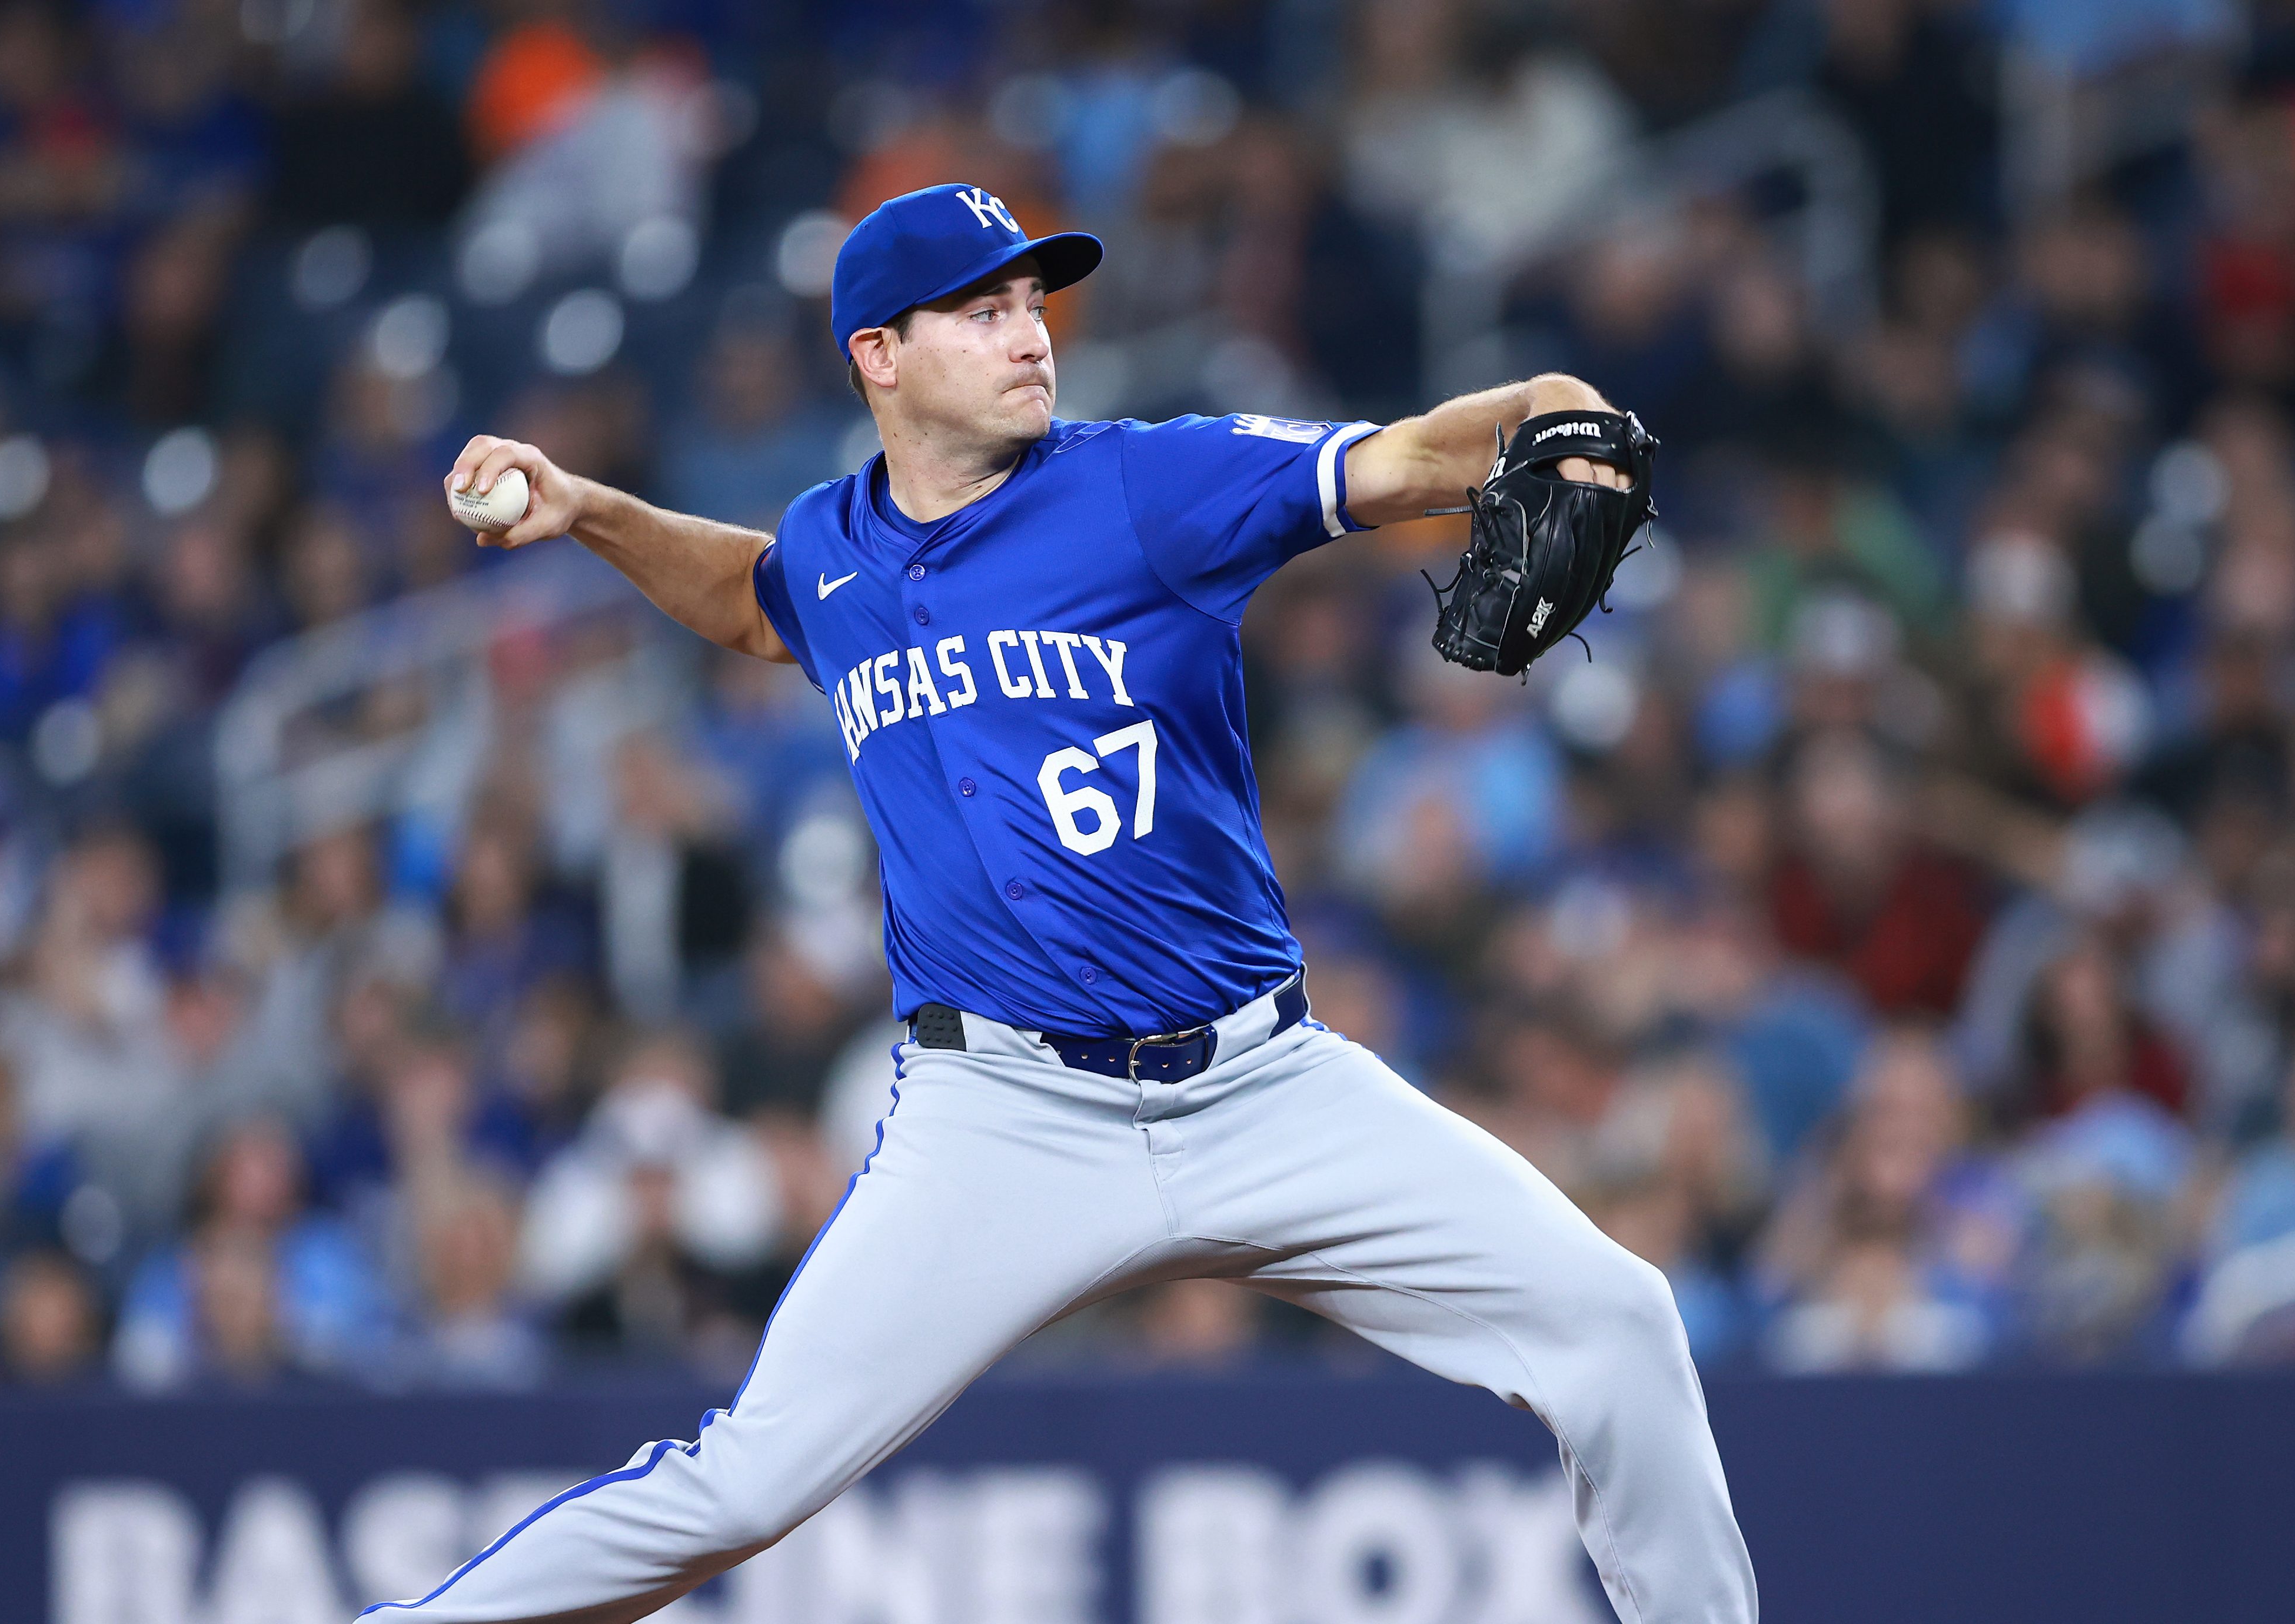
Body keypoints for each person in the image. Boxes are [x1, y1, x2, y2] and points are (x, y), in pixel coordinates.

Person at [381, 183, 1755, 1623]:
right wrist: (593, 510)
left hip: (1265, 1088)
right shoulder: (834, 546)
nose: (1030, 336)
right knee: (741, 1486)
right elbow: (753, 599)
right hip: (1004, 1121)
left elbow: (1412, 455)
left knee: (1615, 1321)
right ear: (880, 355)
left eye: (1033, 302)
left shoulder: (1144, 486)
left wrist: (1553, 400)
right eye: (982, 311)